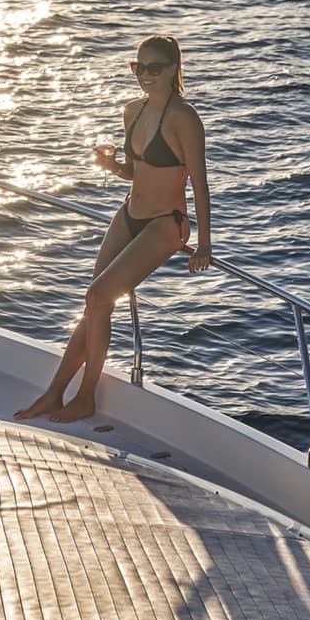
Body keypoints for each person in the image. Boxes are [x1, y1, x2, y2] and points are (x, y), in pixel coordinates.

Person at [16, 35, 214, 423]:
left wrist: (205, 244)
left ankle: (85, 397)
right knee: (95, 304)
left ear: (174, 69)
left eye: (154, 68)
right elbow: (136, 172)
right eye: (138, 67)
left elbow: (200, 184)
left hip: (166, 223)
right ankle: (54, 394)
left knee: (97, 296)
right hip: (129, 214)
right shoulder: (132, 111)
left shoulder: (184, 118)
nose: (144, 75)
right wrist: (112, 167)